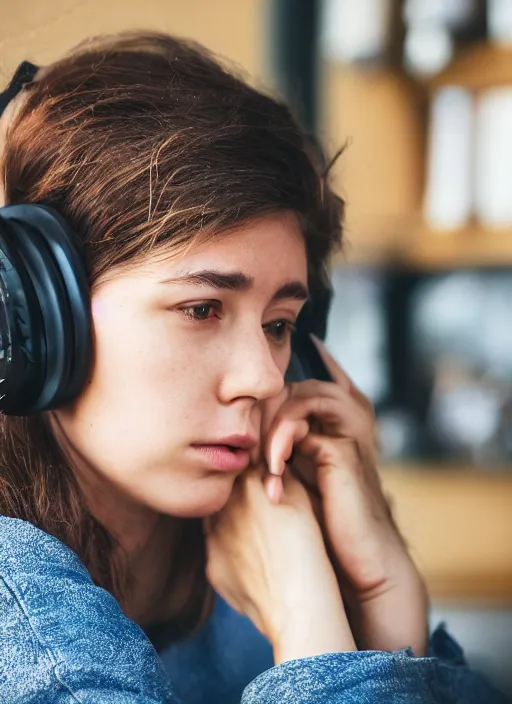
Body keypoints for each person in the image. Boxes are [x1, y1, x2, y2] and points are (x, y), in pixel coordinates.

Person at [0, 31, 507, 703]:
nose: (266, 378)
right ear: (31, 317)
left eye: (278, 326)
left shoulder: (248, 569)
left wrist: (381, 611)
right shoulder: (18, 614)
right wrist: (309, 622)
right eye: (203, 309)